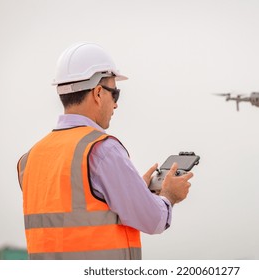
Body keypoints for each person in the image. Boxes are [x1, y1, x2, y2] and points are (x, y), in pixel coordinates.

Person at [17, 42, 194, 260]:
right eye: (115, 94)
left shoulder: (30, 158)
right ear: (98, 93)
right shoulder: (102, 150)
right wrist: (169, 196)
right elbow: (152, 219)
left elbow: (74, 218)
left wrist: (133, 191)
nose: (116, 105)